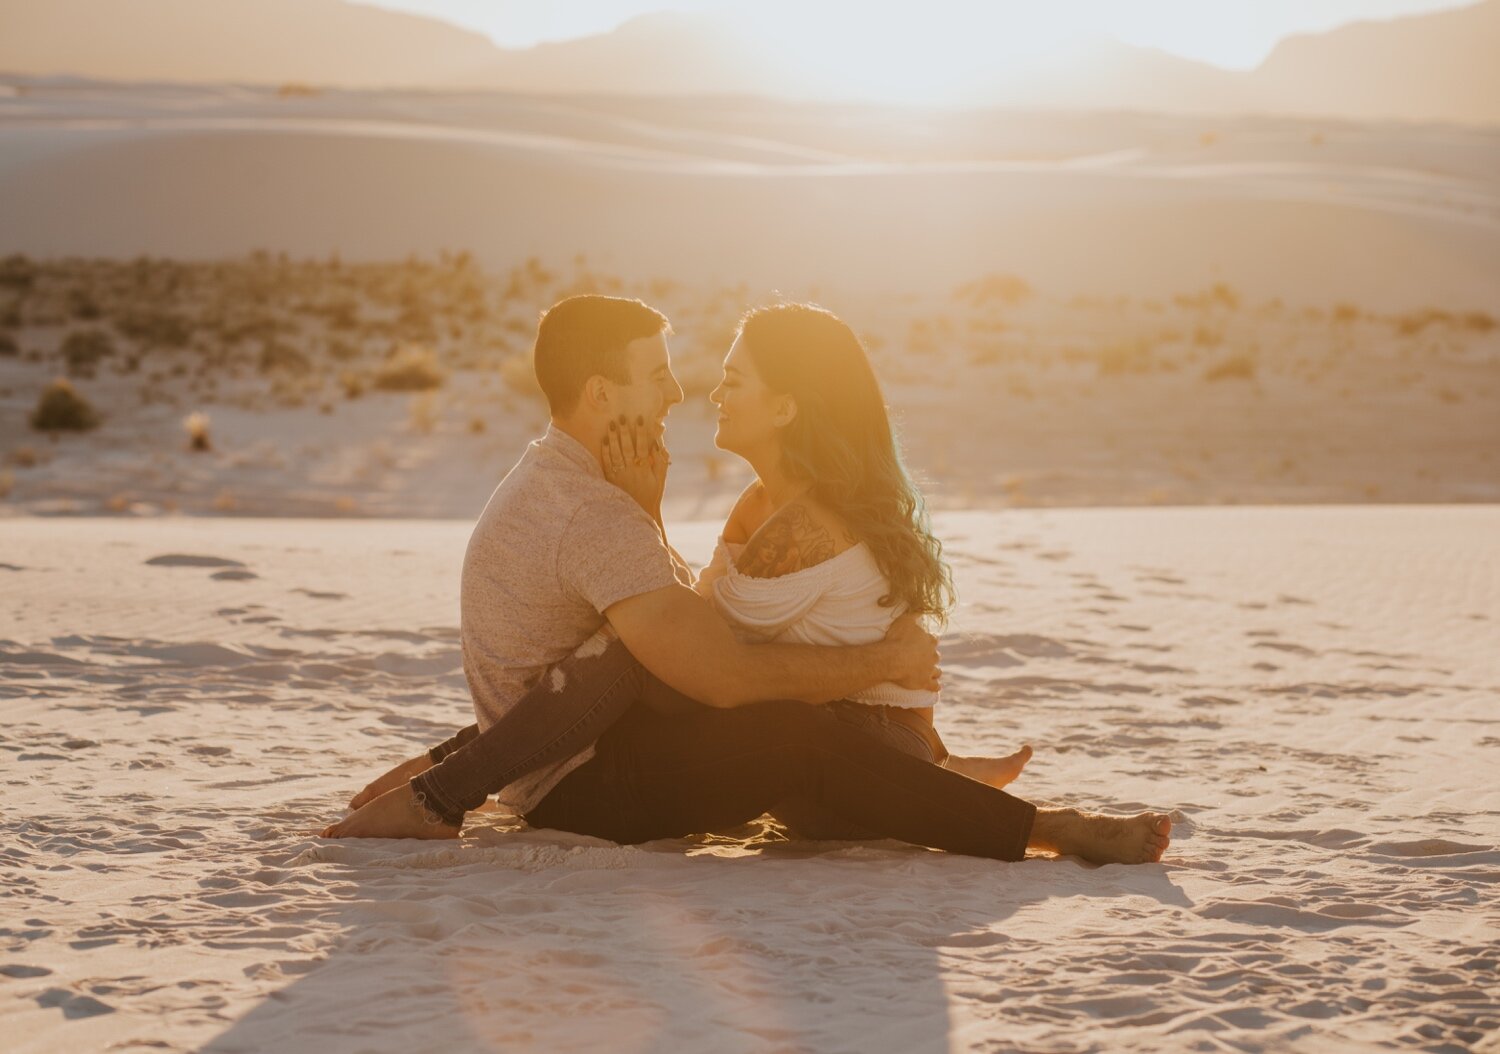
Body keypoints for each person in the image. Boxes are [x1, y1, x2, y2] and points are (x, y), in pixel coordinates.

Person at [321, 295, 1171, 865]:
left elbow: (655, 657)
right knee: (771, 723)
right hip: (591, 787)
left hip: (589, 755)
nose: (682, 393)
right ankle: (1050, 830)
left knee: (665, 663)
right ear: (600, 393)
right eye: (658, 376)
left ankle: (439, 794)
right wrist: (889, 663)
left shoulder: (568, 484)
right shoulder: (597, 514)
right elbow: (710, 669)